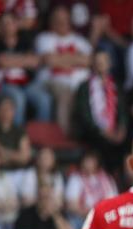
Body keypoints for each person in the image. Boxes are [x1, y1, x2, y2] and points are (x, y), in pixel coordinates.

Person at [0, 11, 52, 126]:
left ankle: (41, 136)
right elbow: (2, 62)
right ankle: (18, 136)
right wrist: (24, 60)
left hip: (25, 83)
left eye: (10, 22)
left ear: (16, 24)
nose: (7, 26)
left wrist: (12, 61)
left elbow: (35, 62)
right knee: (18, 98)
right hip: (2, 85)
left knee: (44, 99)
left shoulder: (25, 40)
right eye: (3, 23)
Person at [34, 6, 93, 134]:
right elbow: (50, 61)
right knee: (65, 93)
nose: (62, 23)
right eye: (58, 20)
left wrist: (61, 60)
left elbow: (89, 61)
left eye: (65, 19)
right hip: (53, 82)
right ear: (51, 22)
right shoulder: (44, 38)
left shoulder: (80, 40)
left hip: (81, 84)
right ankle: (63, 134)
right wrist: (76, 59)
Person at [71, 50, 128, 169]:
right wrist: (102, 131)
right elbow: (84, 114)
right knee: (104, 144)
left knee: (127, 142)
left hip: (115, 130)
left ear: (109, 64)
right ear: (93, 64)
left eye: (103, 61)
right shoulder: (85, 87)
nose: (100, 65)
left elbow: (122, 109)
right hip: (93, 131)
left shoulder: (116, 85)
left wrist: (122, 128)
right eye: (97, 62)